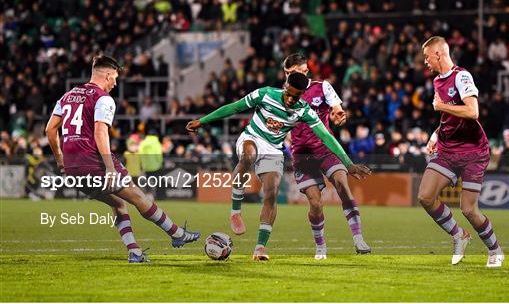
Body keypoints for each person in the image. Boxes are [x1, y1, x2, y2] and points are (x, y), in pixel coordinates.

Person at [186, 72, 371, 261]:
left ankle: (259, 248)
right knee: (248, 156)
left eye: (296, 96)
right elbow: (234, 107)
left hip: (273, 149)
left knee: (271, 191)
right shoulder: (264, 94)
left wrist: (348, 163)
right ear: (285, 87)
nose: (291, 99)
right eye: (289, 93)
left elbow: (327, 137)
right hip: (252, 137)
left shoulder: (303, 111)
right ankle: (235, 210)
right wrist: (203, 121)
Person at [45, 55, 200, 263]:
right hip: (95, 162)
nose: (115, 83)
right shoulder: (102, 98)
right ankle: (177, 234)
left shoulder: (67, 96)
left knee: (118, 204)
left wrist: (60, 159)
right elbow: (100, 133)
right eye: (115, 78)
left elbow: (50, 129)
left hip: (73, 168)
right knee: (139, 198)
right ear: (107, 74)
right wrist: (109, 167)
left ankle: (134, 252)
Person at [420, 37, 504, 267]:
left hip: (473, 151)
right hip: (448, 149)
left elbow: (472, 111)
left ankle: (495, 249)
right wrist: (436, 134)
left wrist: (441, 107)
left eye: (427, 57)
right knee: (425, 196)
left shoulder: (462, 76)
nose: (425, 62)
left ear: (438, 54)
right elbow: (449, 115)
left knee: (468, 209)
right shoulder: (437, 81)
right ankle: (459, 235)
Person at [283, 53, 371, 260]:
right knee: (315, 203)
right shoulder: (282, 95)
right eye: (293, 73)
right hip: (302, 155)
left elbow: (338, 111)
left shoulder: (322, 87)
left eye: (302, 72)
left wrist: (339, 116)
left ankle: (359, 239)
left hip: (325, 149)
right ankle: (320, 246)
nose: (301, 76)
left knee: (342, 183)